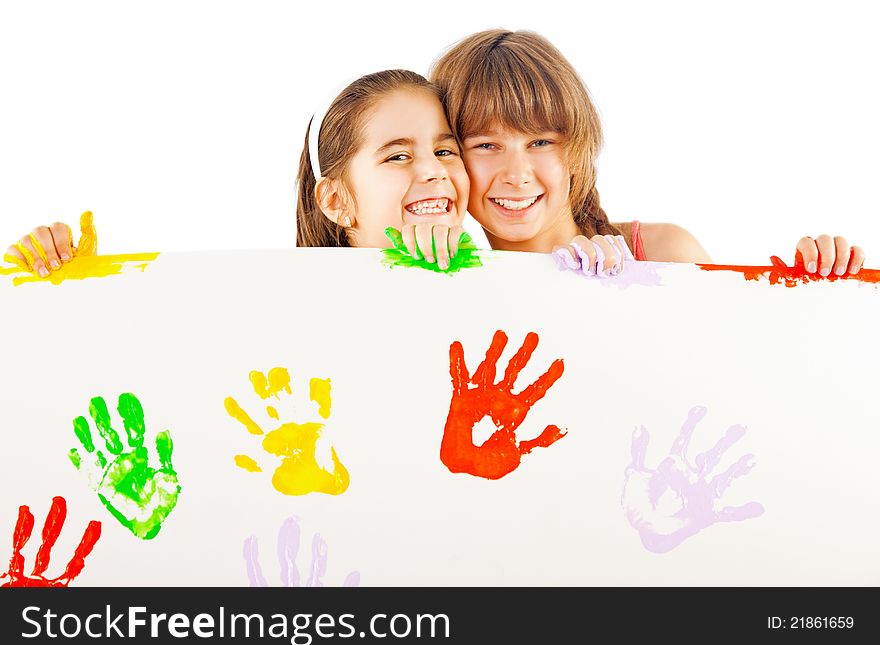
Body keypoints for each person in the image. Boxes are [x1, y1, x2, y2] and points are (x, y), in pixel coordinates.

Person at [428, 29, 867, 277]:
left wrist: (820, 287)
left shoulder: (662, 250)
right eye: (486, 145)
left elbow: (740, 382)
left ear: (577, 148)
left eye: (540, 142)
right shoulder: (457, 278)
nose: (517, 173)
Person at [6, 69, 471, 274]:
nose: (434, 171)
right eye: (396, 155)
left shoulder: (498, 285)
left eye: (446, 151)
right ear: (335, 201)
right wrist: (58, 280)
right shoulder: (278, 305)